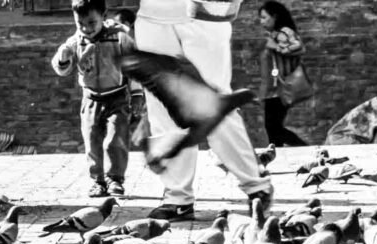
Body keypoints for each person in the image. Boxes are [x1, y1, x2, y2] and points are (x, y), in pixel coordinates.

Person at [136, 0, 273, 219]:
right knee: (162, 102)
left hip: (204, 13)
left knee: (215, 101)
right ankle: (178, 198)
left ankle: (255, 185)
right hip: (153, 15)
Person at [53, 0, 134, 198]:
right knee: (92, 141)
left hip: (117, 96)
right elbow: (62, 69)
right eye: (80, 23)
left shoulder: (118, 37)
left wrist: (138, 94)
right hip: (90, 98)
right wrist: (63, 57)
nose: (86, 29)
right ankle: (98, 181)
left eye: (92, 23)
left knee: (116, 139)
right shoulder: (76, 41)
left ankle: (115, 179)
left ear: (103, 17)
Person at [258, 1, 307, 147]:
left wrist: (277, 47)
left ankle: (303, 147)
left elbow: (299, 47)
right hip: (272, 89)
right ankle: (278, 155)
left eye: (264, 17)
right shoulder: (275, 34)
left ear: (274, 17)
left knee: (273, 127)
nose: (261, 22)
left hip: (280, 88)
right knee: (273, 128)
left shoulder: (284, 32)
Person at [110, 8, 150, 150]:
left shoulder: (135, 39)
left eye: (118, 23)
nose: (115, 27)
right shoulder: (123, 40)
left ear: (126, 23)